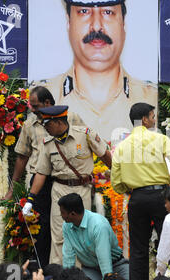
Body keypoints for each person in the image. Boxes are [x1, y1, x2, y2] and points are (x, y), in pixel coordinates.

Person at [34, 0, 157, 141]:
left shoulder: (152, 99)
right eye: (84, 11)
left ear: (123, 23)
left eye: (108, 12)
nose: (97, 26)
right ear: (68, 22)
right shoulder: (39, 99)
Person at [5, 86, 86, 268]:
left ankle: (73, 268)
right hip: (39, 182)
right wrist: (12, 188)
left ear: (47, 103)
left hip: (64, 180)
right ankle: (46, 268)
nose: (32, 110)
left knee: (68, 225)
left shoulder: (72, 118)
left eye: (35, 106)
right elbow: (22, 156)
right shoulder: (29, 124)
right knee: (42, 227)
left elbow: (85, 142)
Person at [22, 105, 112, 265]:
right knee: (58, 235)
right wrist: (30, 199)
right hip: (59, 190)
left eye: (47, 124)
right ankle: (58, 273)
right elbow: (41, 172)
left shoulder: (85, 135)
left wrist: (118, 174)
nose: (45, 128)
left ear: (58, 122)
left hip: (81, 190)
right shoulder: (48, 143)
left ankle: (79, 273)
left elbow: (105, 155)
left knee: (81, 233)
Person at [111, 102, 170, 280]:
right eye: (153, 117)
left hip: (137, 200)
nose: (154, 120)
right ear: (144, 119)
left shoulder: (122, 146)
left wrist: (130, 189)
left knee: (138, 250)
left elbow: (116, 182)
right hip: (162, 199)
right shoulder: (160, 139)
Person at [58, 193, 129, 280]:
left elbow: (104, 259)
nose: (61, 215)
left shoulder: (98, 225)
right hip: (90, 269)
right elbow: (68, 255)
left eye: (62, 212)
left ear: (72, 214)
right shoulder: (67, 225)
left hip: (116, 265)